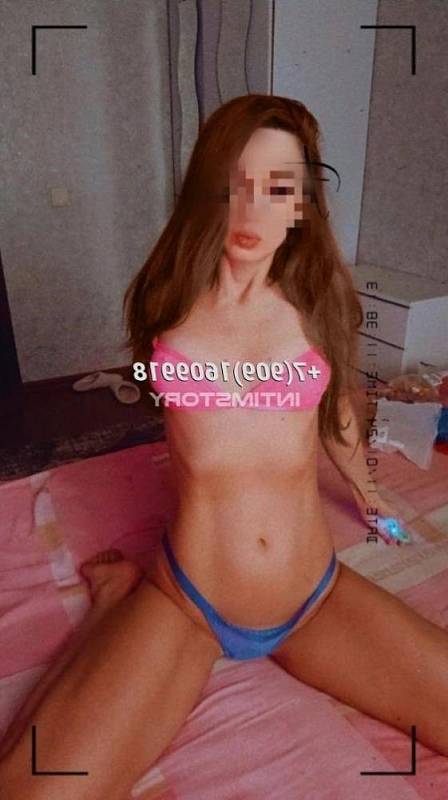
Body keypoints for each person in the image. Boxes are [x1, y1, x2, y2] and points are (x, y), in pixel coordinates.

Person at [1, 94, 447, 800]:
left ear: (301, 207)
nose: (253, 210)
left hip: (312, 593)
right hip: (190, 598)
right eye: (236, 184)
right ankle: (120, 602)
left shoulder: (316, 300)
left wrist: (368, 491)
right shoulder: (168, 303)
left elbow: (334, 406)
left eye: (278, 189)